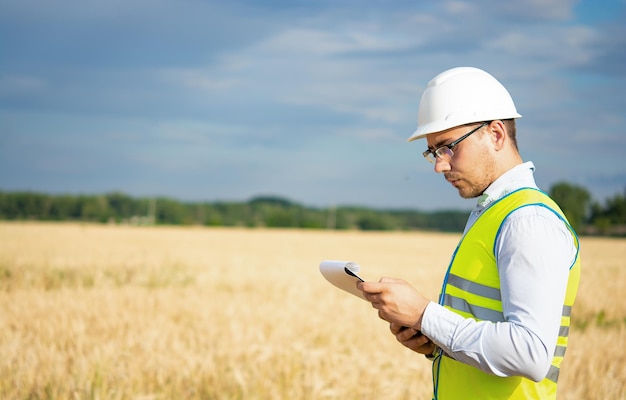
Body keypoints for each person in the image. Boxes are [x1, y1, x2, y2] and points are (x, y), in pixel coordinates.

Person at [357, 67, 581, 399]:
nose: (439, 164)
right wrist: (434, 342)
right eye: (433, 151)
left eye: (449, 146)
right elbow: (491, 338)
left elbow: (530, 354)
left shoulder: (527, 221)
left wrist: (424, 314)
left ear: (495, 134)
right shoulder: (495, 211)